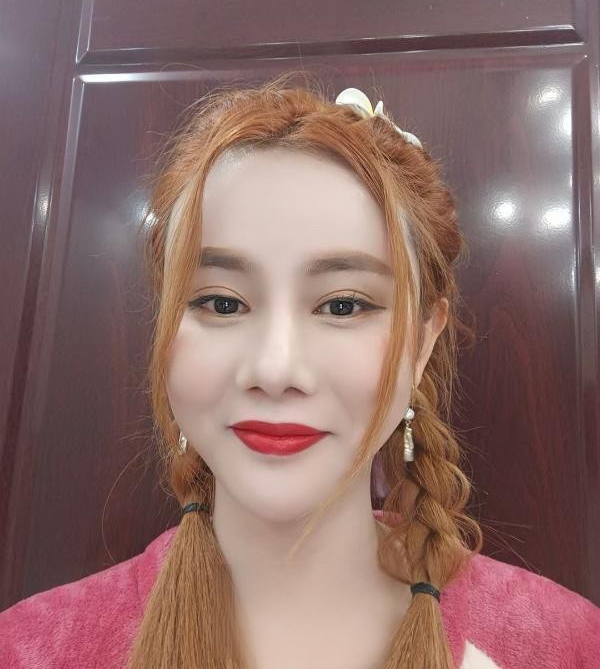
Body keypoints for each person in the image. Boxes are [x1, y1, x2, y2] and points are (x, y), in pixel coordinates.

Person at [1, 72, 599, 669]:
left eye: (343, 306)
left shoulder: (564, 645)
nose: (275, 369)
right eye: (221, 303)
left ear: (422, 343)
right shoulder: (29, 649)